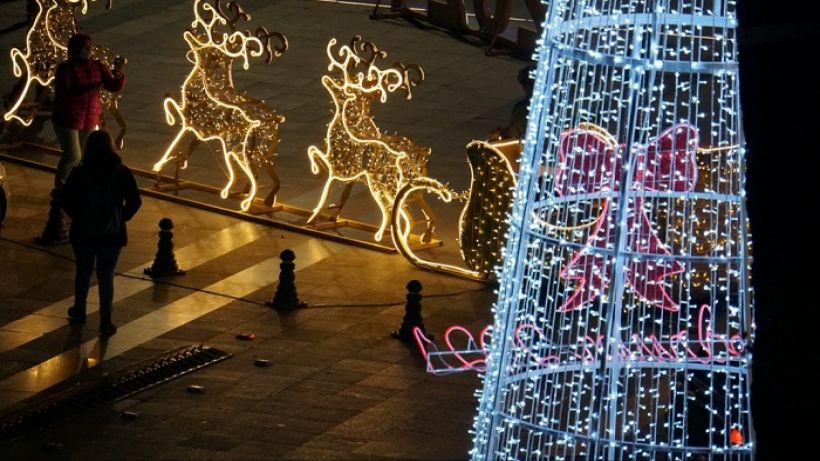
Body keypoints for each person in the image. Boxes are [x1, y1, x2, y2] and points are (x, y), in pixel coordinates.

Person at [61, 130, 141, 336]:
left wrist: (79, 215)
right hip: (111, 234)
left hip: (83, 232)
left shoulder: (80, 172)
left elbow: (66, 199)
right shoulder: (121, 172)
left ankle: (80, 309)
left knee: (83, 272)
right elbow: (135, 201)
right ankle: (105, 319)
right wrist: (120, 217)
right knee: (106, 275)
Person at [52, 33, 126, 188]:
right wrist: (91, 88)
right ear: (76, 49)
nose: (89, 51)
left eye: (89, 48)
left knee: (85, 156)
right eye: (85, 48)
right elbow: (65, 94)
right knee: (73, 155)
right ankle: (60, 187)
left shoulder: (97, 66)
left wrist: (119, 75)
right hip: (68, 118)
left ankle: (76, 186)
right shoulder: (66, 68)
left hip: (90, 118)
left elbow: (112, 86)